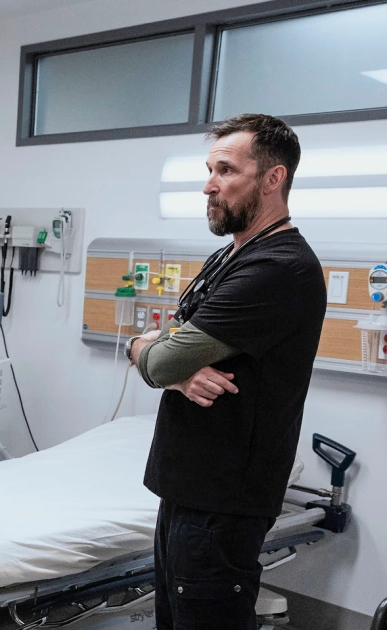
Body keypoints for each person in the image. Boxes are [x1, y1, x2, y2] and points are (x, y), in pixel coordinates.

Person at [125, 114, 326, 629]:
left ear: (273, 178)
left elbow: (162, 356)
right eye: (210, 170)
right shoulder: (228, 257)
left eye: (226, 171)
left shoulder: (279, 267)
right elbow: (166, 348)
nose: (209, 186)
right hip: (187, 489)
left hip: (223, 502)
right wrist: (168, 365)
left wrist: (159, 359)